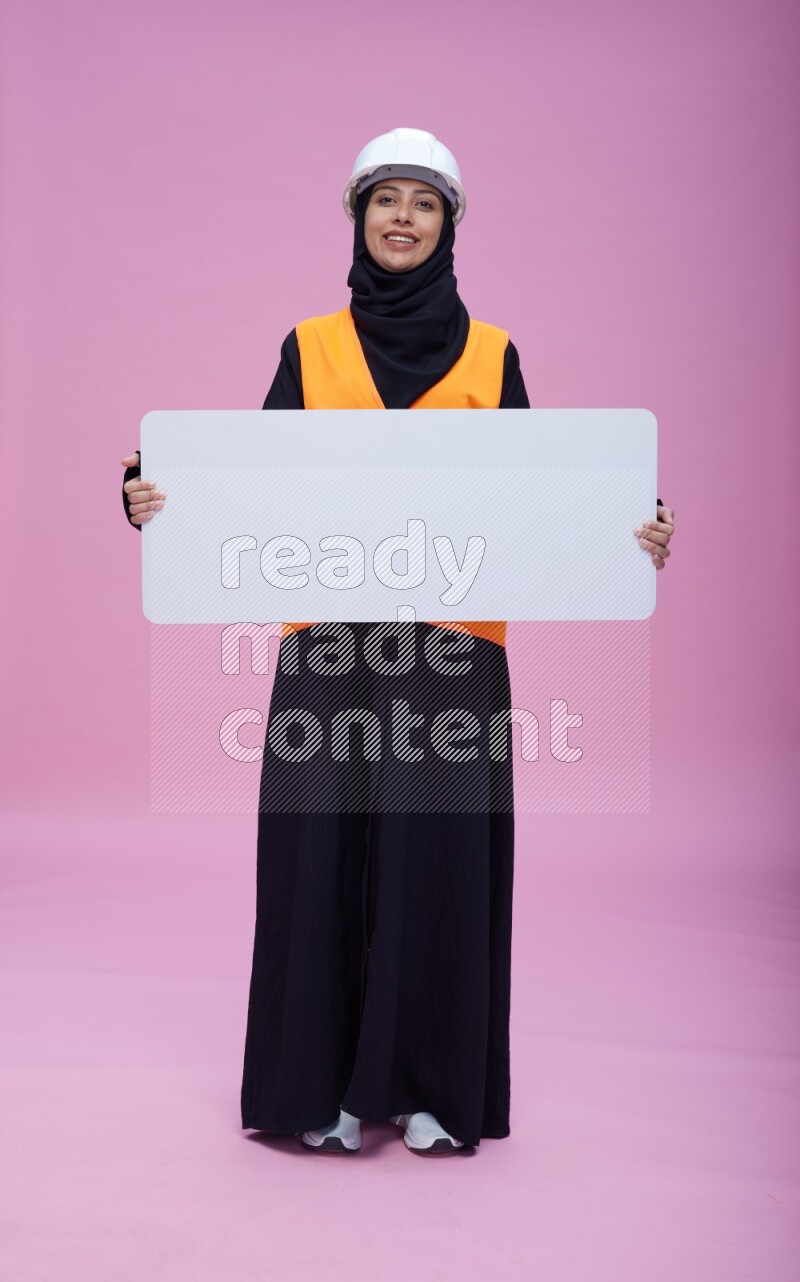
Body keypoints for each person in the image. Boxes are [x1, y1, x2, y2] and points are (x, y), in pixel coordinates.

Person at [120, 127, 676, 1156]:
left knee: (438, 858)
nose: (403, 219)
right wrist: (155, 496)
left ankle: (429, 1083)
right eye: (386, 200)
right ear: (357, 217)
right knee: (317, 853)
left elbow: (545, 496)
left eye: (424, 203)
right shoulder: (310, 346)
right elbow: (246, 483)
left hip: (452, 646)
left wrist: (629, 529)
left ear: (450, 224)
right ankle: (317, 1088)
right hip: (330, 644)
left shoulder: (491, 352)